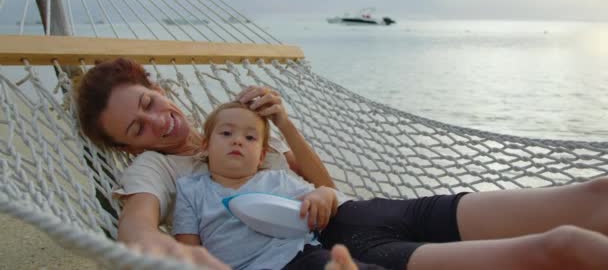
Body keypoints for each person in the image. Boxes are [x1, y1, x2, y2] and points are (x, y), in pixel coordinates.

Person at [77, 58, 608, 270]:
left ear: (157, 87)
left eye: (149, 104)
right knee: (556, 250)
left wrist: (282, 122)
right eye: (136, 129)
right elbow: (138, 227)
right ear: (128, 148)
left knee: (593, 199)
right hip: (322, 256)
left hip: (359, 215)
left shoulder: (236, 125)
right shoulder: (152, 171)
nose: (157, 124)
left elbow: (324, 186)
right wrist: (162, 250)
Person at [172, 101, 382, 269]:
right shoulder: (190, 189)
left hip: (300, 256)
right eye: (226, 133)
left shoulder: (276, 179)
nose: (237, 141)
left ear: (262, 156)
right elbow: (188, 251)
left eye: (250, 137)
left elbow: (324, 195)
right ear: (206, 146)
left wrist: (324, 194)